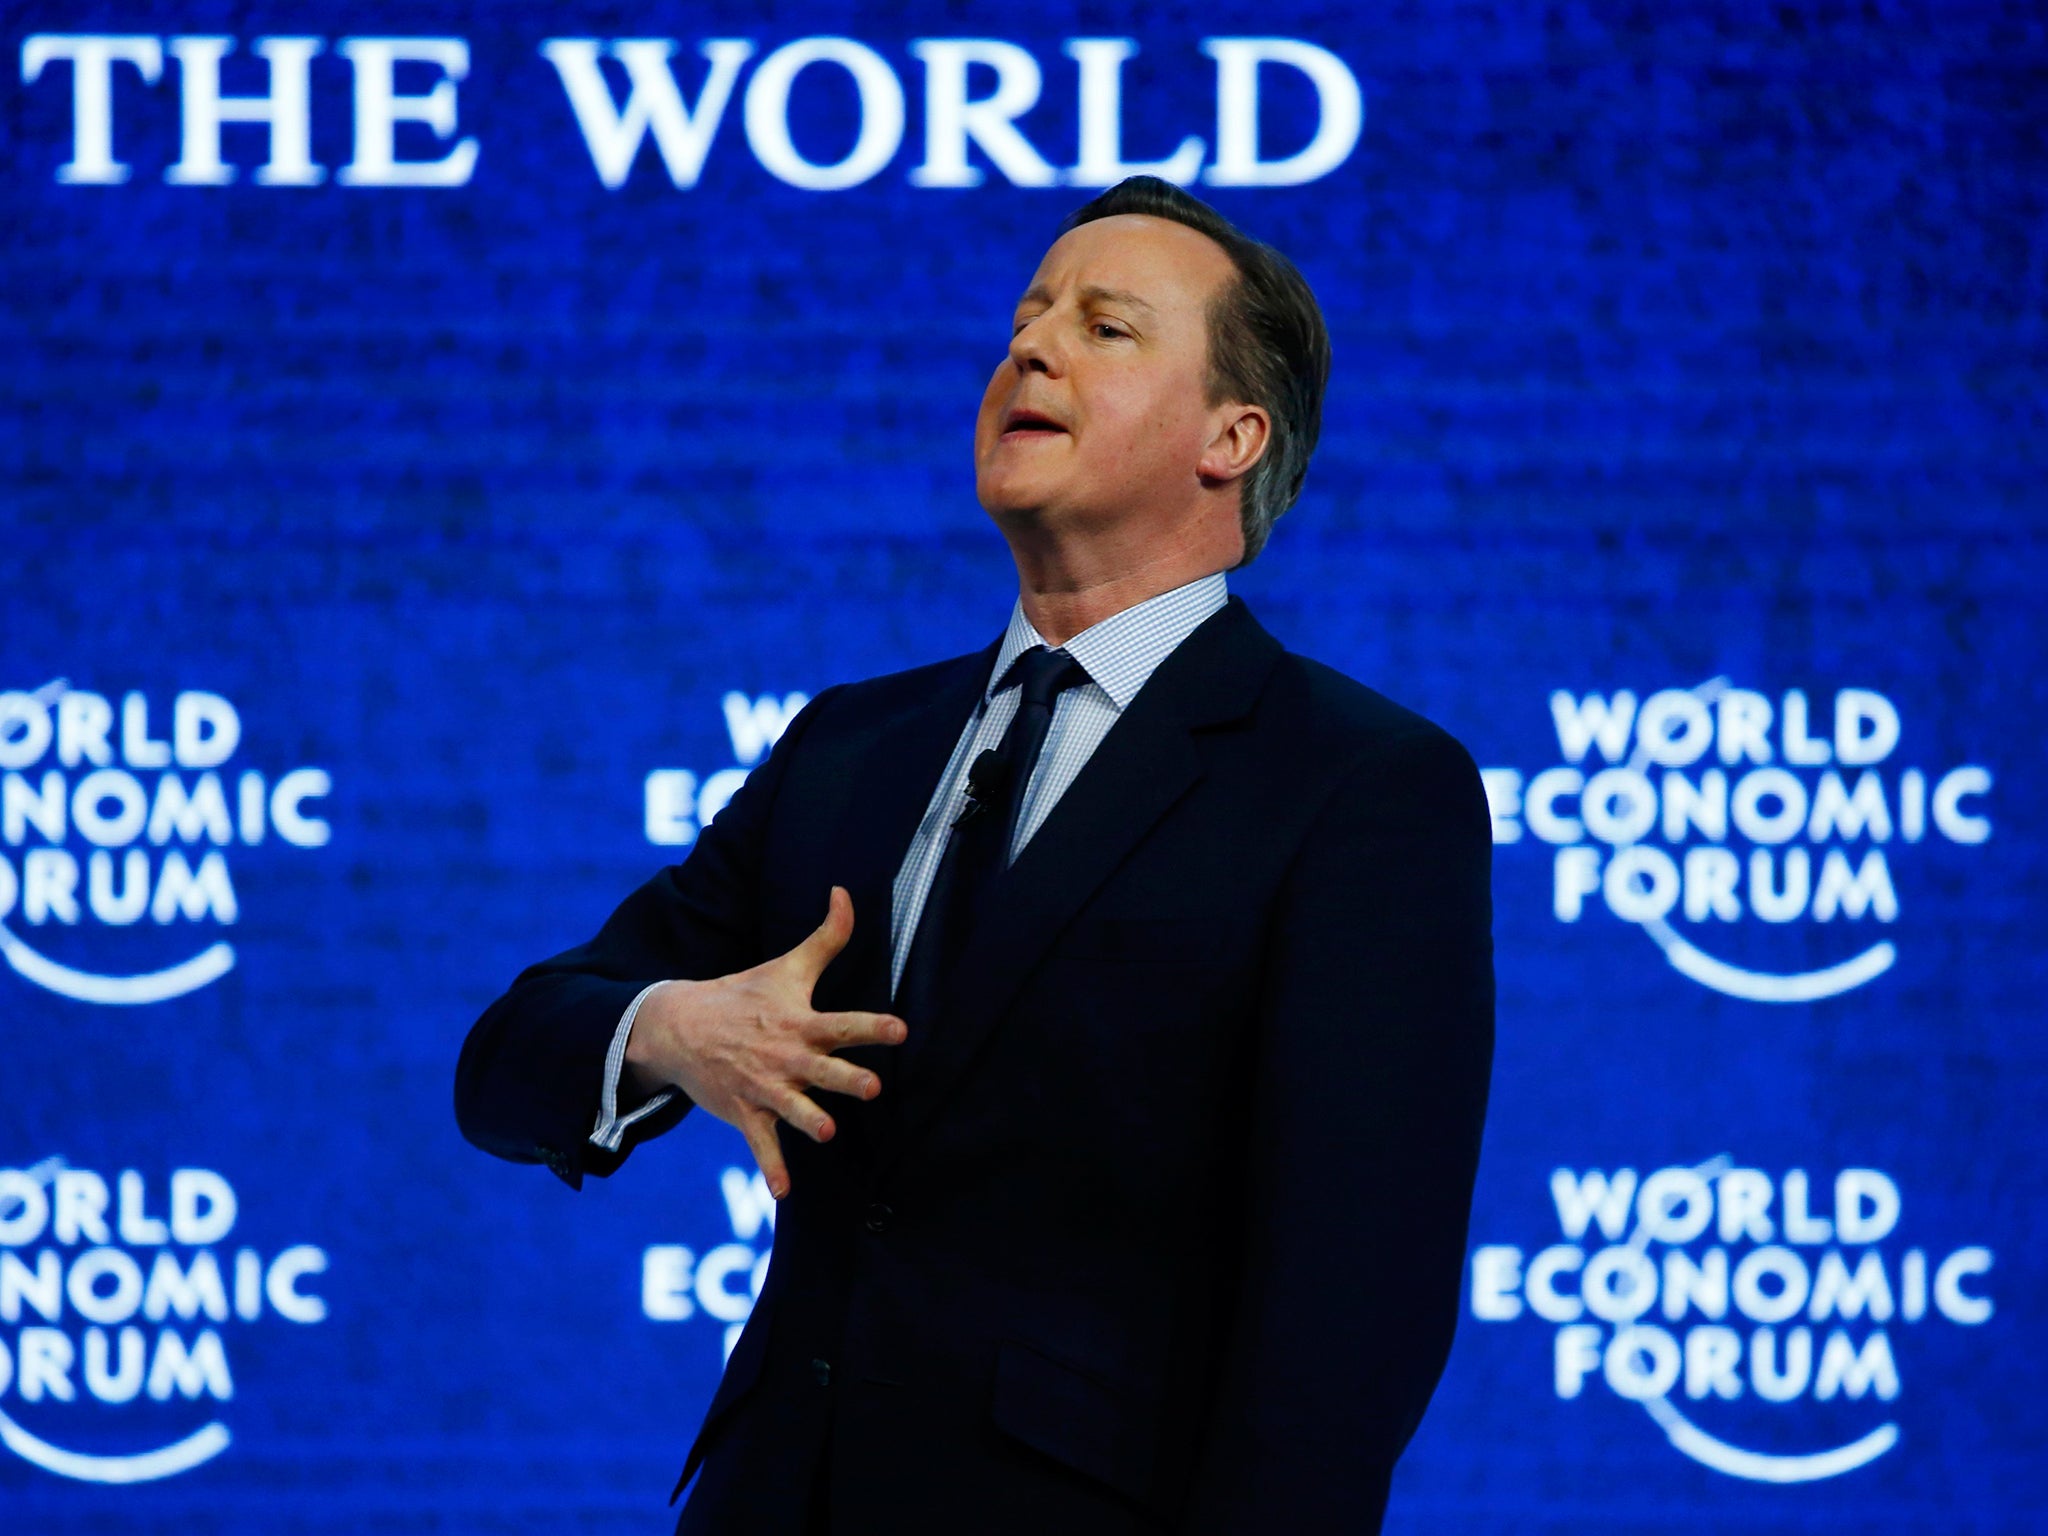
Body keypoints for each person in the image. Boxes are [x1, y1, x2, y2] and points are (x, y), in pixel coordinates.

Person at [456, 175, 1494, 1535]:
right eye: (1027, 315)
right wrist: (673, 1031)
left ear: (1231, 436)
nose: (1032, 346)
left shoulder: (1355, 785)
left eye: (1105, 327)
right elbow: (505, 1066)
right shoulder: (851, 747)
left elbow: (1349, 1322)